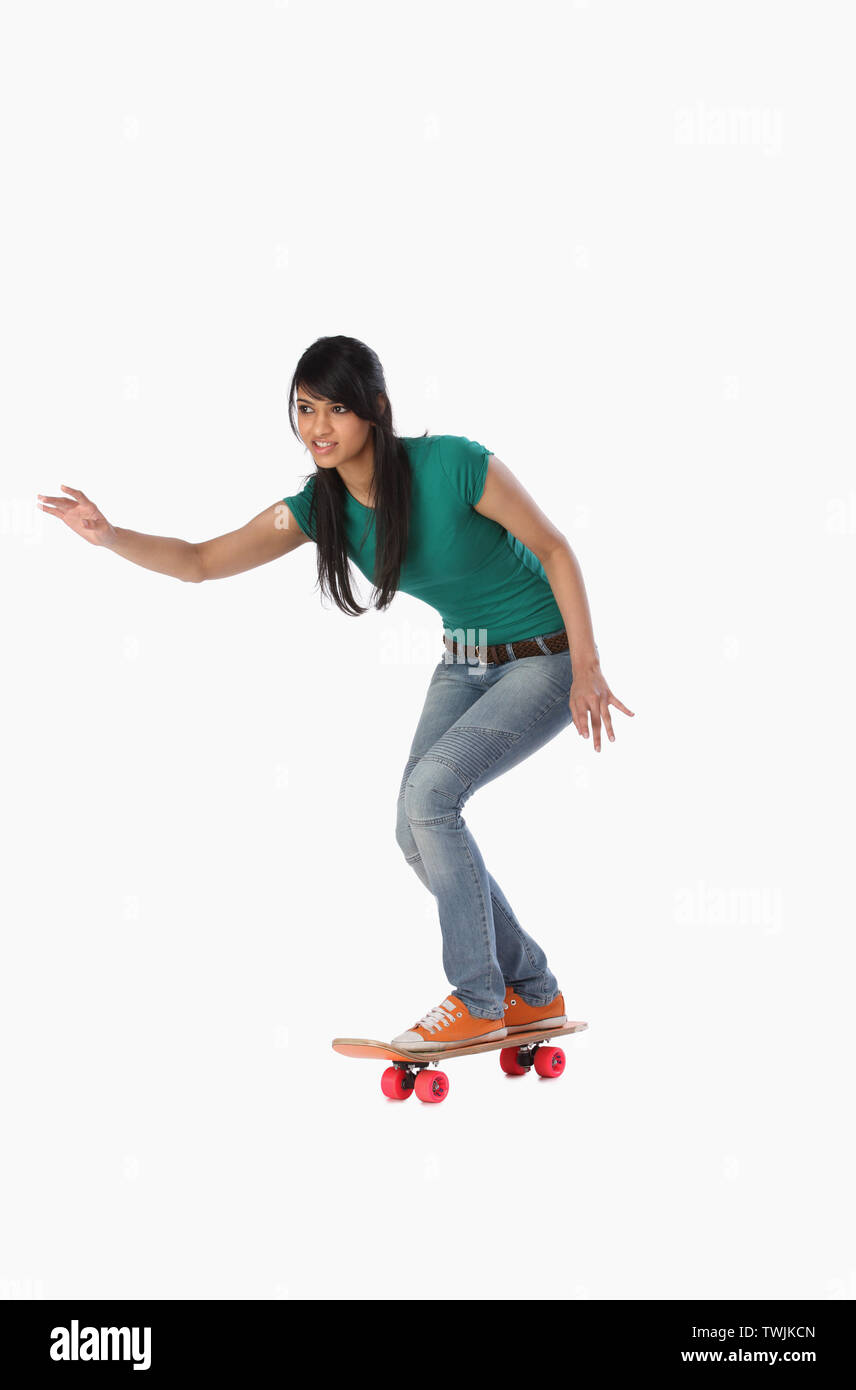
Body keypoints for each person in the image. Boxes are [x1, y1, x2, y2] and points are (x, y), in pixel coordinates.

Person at [36, 334, 634, 1052]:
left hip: (547, 657)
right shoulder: (319, 506)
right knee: (413, 827)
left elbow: (555, 547)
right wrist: (108, 536)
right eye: (305, 408)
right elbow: (200, 561)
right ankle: (532, 990)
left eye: (338, 408)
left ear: (376, 410)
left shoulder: (455, 464)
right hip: (464, 660)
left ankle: (478, 998)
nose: (318, 427)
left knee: (430, 799)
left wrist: (589, 665)